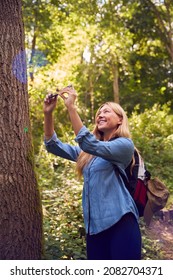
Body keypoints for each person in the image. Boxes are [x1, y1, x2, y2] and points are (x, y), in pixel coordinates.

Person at [43, 85, 141, 260]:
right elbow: (53, 145)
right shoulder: (87, 155)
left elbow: (88, 143)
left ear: (119, 120)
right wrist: (48, 114)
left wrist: (71, 107)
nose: (100, 115)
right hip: (94, 229)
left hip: (121, 223)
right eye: (99, 113)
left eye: (106, 112)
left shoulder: (125, 145)